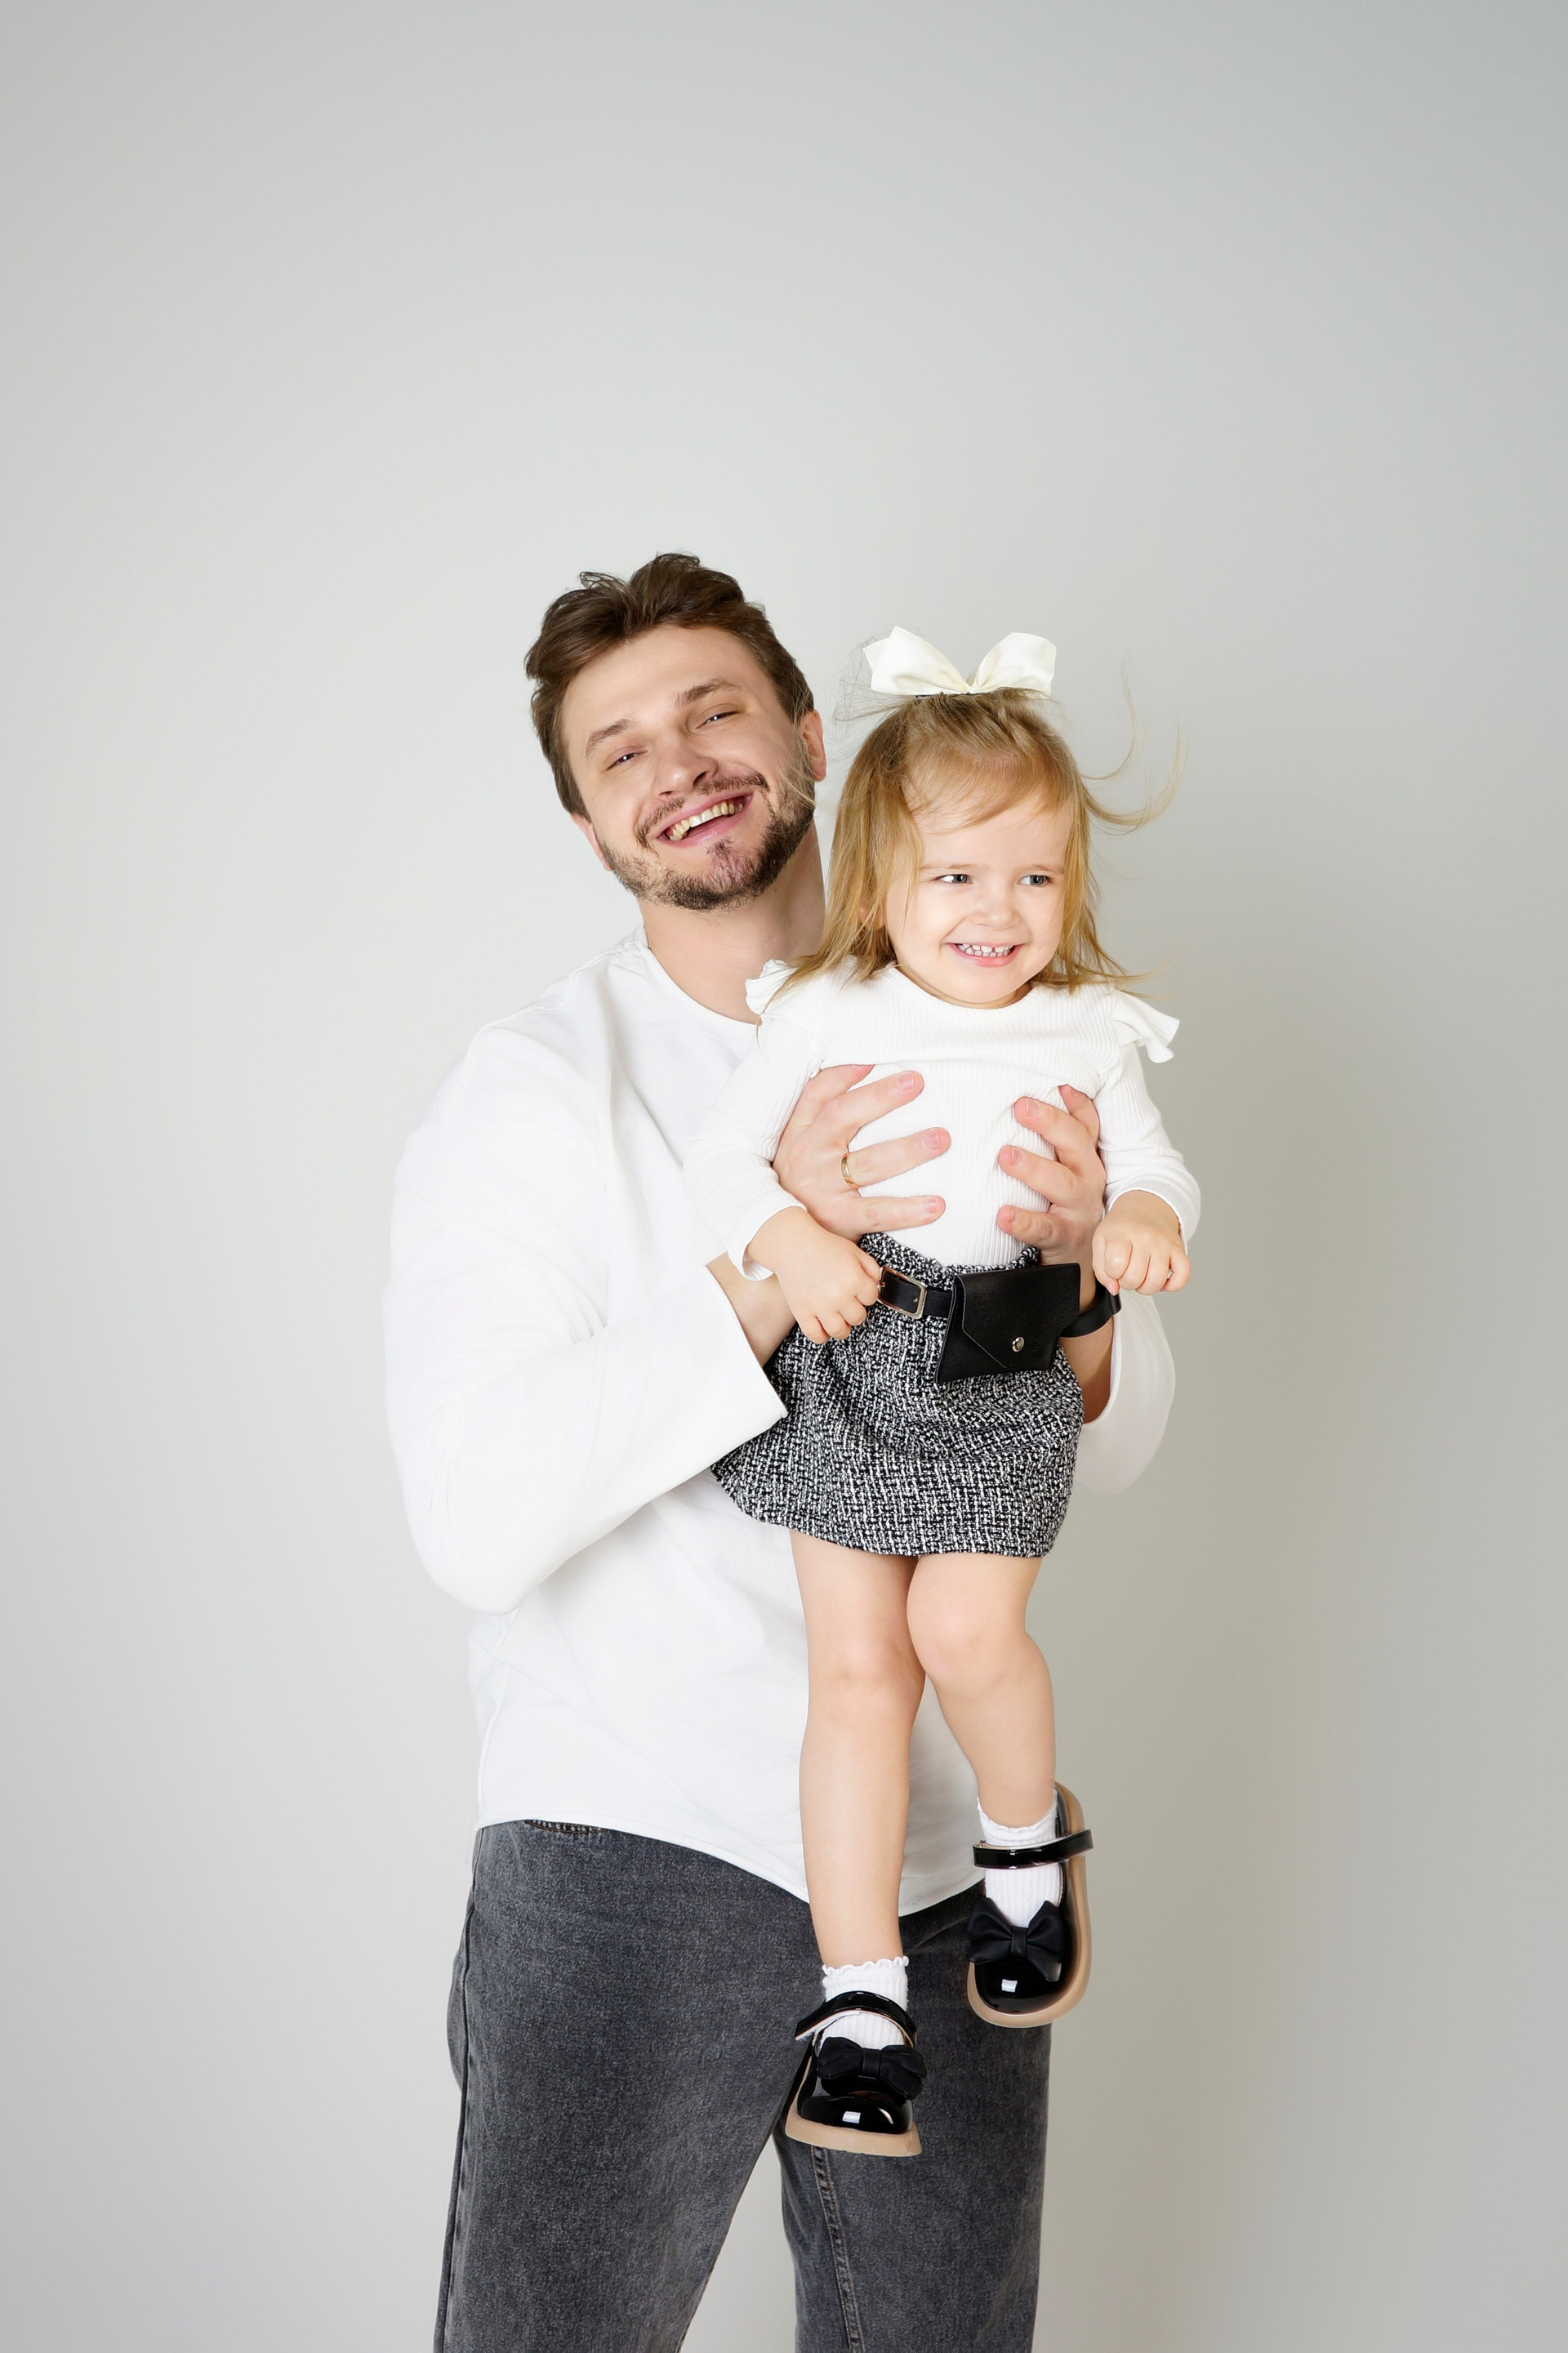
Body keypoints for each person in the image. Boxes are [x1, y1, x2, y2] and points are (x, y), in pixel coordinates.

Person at [385, 555, 1178, 2353]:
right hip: (635, 1844)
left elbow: (1114, 1450)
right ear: (588, 824)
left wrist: (1086, 1277)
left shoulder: (1011, 1018)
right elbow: (476, 1516)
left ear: (815, 737)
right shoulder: (533, 1090)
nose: (678, 764)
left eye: (716, 710)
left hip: (937, 1871)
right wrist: (771, 1258)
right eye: (620, 750)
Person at [684, 626, 1198, 2158]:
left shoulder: (1088, 1030)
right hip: (852, 1360)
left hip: (1002, 1365)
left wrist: (1139, 1217)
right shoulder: (823, 1008)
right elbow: (723, 1164)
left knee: (963, 1631)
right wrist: (788, 1236)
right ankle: (860, 2005)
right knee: (858, 1675)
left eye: (1034, 875)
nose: (998, 910)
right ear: (880, 882)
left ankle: (1025, 1848)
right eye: (958, 875)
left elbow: (1158, 1169)